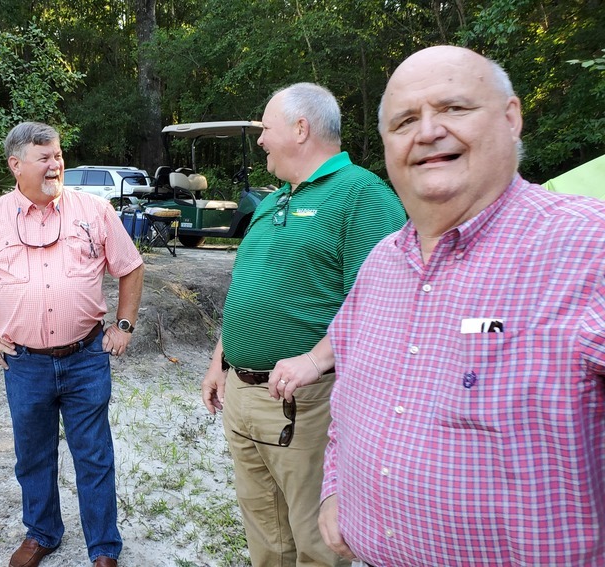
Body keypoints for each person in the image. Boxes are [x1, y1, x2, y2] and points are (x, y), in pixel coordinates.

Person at [318, 45, 605, 565]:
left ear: (511, 117)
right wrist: (336, 486)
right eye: (405, 120)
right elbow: (349, 398)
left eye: (454, 108)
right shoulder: (381, 263)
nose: (428, 131)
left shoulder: (589, 246)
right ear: (386, 145)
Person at [201, 83, 406, 567]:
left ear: (300, 128)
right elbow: (246, 292)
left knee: (317, 541)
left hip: (309, 405)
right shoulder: (272, 203)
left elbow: (380, 305)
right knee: (265, 534)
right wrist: (219, 363)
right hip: (244, 395)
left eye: (265, 129)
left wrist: (316, 360)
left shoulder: (362, 196)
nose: (260, 141)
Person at [0, 122, 144, 567]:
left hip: (86, 357)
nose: (56, 164)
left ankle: (103, 548)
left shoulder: (94, 212)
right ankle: (42, 533)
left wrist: (124, 324)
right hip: (24, 363)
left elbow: (130, 267)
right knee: (33, 455)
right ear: (16, 165)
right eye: (45, 157)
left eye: (58, 155)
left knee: (94, 455)